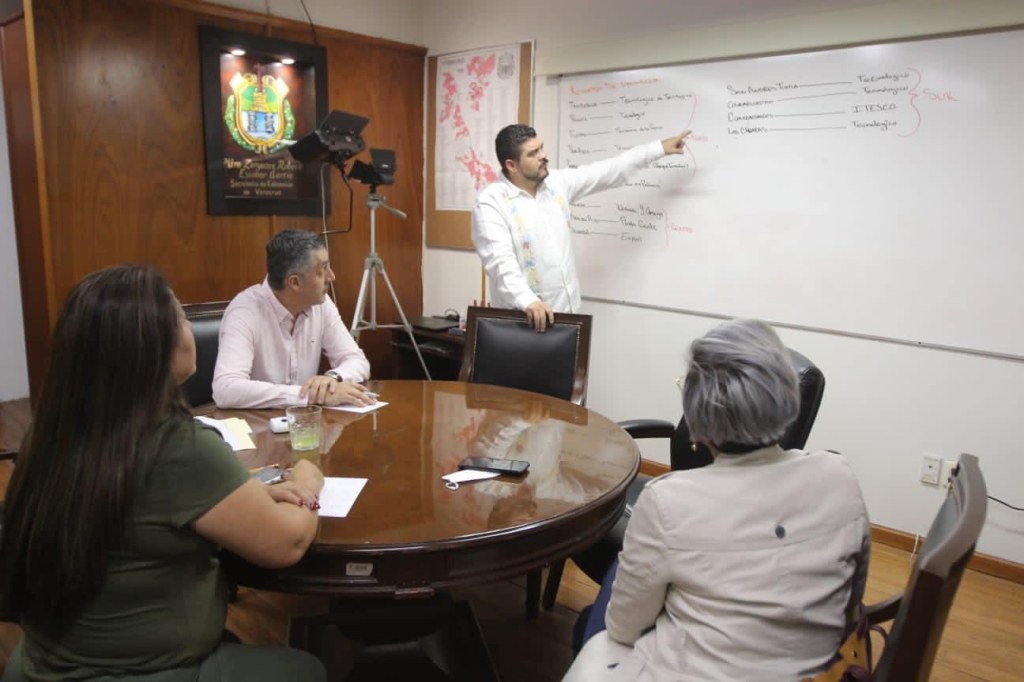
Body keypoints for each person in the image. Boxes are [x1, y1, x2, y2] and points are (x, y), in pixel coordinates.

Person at [0, 265, 326, 681]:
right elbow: (288, 542)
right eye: (182, 318)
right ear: (155, 349)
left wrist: (251, 491)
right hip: (137, 671)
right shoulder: (177, 446)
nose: (189, 328)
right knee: (307, 668)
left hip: (40, 663)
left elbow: (142, 501)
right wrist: (307, 480)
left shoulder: (53, 434)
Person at [564, 319, 871, 682]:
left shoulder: (667, 501)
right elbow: (851, 598)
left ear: (697, 413)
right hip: (820, 671)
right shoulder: (839, 474)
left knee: (601, 610)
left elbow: (624, 628)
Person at [471, 124, 691, 331]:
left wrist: (658, 149)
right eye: (533, 153)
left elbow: (608, 171)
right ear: (511, 165)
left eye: (541, 148)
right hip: (521, 322)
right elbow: (500, 263)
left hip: (566, 317)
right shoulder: (491, 202)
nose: (543, 156)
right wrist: (528, 301)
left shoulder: (556, 184)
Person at [213, 229, 373, 409]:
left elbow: (357, 360)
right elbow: (225, 389)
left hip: (307, 422)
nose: (332, 277)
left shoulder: (321, 304)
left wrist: (331, 380)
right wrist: (307, 395)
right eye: (322, 270)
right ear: (295, 282)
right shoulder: (244, 312)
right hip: (257, 423)